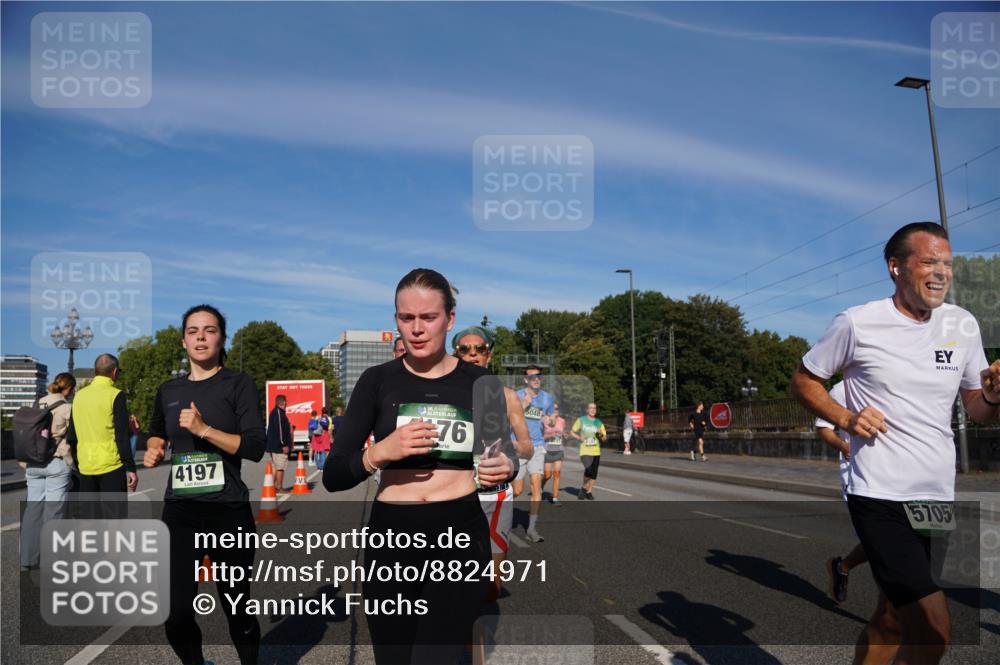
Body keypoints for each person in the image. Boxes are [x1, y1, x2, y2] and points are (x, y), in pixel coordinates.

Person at [790, 221, 1000, 665]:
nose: (942, 271)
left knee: (891, 617)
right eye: (929, 261)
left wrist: (994, 396)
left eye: (947, 262)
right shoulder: (858, 322)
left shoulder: (961, 324)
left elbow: (976, 409)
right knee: (932, 631)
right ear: (896, 268)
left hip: (935, 495)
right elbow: (804, 380)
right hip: (879, 493)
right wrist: (846, 416)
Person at [323, 268, 515, 665]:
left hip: (459, 530)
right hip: (393, 532)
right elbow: (334, 474)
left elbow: (503, 455)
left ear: (450, 318)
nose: (416, 329)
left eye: (428, 318)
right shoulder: (376, 381)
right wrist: (379, 453)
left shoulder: (483, 383)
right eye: (405, 318)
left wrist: (504, 467)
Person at [144, 304, 266, 665]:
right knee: (176, 612)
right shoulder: (169, 390)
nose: (200, 336)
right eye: (193, 330)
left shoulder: (238, 384)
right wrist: (154, 448)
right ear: (183, 340)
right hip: (181, 512)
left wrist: (204, 430)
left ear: (222, 338)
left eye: (209, 330)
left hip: (228, 511)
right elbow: (155, 431)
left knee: (236, 607)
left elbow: (256, 447)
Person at [451, 325, 533, 602]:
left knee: (492, 585)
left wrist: (511, 460)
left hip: (494, 495)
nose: (472, 354)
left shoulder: (508, 396)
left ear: (489, 354)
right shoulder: (445, 394)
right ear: (456, 354)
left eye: (479, 349)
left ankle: (478, 632)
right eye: (465, 349)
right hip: (453, 494)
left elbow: (527, 445)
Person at [816, 381, 868, 604]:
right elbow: (823, 428)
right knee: (878, 539)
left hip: (899, 474)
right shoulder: (839, 391)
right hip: (856, 475)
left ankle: (842, 567)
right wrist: (844, 446)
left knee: (891, 541)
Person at [20, 372, 75, 570]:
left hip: (33, 463)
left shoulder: (37, 404)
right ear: (69, 389)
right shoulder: (67, 407)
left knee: (32, 510)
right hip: (56, 463)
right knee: (54, 512)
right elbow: (75, 437)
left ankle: (27, 559)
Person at [67, 353, 137, 496]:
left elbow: (72, 435)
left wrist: (78, 460)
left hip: (86, 466)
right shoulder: (116, 395)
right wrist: (131, 468)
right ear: (115, 371)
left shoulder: (79, 395)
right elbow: (121, 436)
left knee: (90, 517)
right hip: (111, 465)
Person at [516, 365, 555, 542]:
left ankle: (531, 529)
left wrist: (550, 420)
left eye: (538, 376)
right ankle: (496, 512)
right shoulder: (516, 395)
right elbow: (508, 418)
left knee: (536, 484)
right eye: (532, 377)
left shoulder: (547, 398)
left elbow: (552, 420)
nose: (536, 379)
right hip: (519, 445)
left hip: (538, 446)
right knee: (516, 490)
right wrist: (524, 405)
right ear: (526, 380)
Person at [569, 402, 606, 500]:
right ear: (587, 410)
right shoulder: (581, 420)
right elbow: (572, 432)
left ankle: (589, 491)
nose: (593, 410)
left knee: (594, 473)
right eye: (591, 408)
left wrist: (600, 433)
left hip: (596, 451)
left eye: (594, 408)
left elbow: (604, 439)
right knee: (588, 469)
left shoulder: (599, 422)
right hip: (585, 450)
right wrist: (579, 437)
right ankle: (584, 487)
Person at [266, 394, 292, 493]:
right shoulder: (278, 413)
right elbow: (280, 431)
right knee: (280, 467)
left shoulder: (277, 412)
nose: (287, 403)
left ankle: (270, 487)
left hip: (275, 445)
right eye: (286, 401)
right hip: (278, 446)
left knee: (275, 467)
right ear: (283, 402)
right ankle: (279, 488)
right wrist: (283, 445)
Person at [543, 404, 567, 505]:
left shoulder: (562, 421)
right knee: (548, 475)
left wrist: (565, 435)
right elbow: (542, 437)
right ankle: (540, 485)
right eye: (553, 409)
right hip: (548, 451)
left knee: (557, 474)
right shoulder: (545, 420)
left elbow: (563, 432)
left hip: (559, 450)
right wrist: (551, 435)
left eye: (557, 408)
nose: (555, 410)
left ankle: (555, 497)